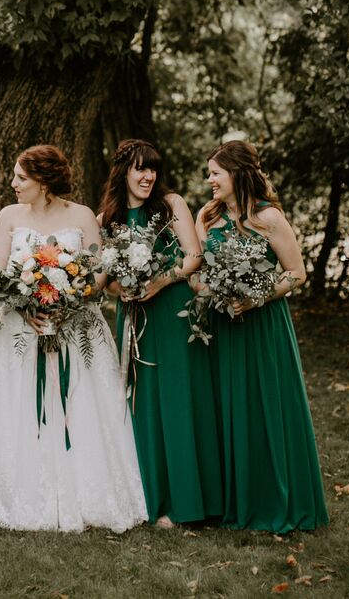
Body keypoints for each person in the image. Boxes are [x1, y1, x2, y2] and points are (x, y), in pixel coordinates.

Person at [0, 144, 147, 532]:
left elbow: (96, 273)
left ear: (43, 181)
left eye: (20, 178)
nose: (13, 184)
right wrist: (27, 305)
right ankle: (15, 493)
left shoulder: (80, 215)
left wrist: (70, 299)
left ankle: (90, 493)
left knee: (82, 401)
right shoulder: (9, 216)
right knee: (17, 404)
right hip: (18, 329)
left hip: (77, 327)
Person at [196, 140, 329, 532]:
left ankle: (275, 499)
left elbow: (296, 273)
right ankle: (233, 502)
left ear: (237, 174)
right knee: (228, 408)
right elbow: (202, 273)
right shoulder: (207, 217)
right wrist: (212, 292)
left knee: (266, 406)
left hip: (263, 326)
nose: (210, 180)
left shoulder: (269, 218)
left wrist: (254, 298)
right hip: (224, 327)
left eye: (215, 173)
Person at [98, 139, 223, 527]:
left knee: (179, 397)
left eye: (153, 168)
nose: (148, 176)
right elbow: (106, 281)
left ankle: (189, 502)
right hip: (134, 316)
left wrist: (159, 281)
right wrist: (125, 290)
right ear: (123, 172)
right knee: (143, 402)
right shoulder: (107, 219)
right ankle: (150, 498)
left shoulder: (171, 205)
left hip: (172, 312)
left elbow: (194, 256)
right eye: (140, 168)